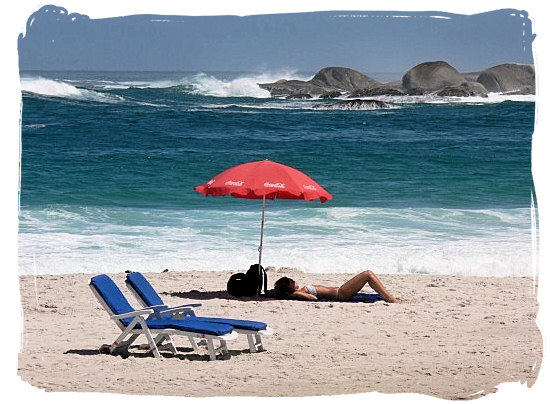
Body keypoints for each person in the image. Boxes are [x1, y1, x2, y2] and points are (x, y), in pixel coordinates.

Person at [273, 270, 399, 303]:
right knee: (367, 274)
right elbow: (313, 299)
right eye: (291, 280)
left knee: (368, 275)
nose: (294, 280)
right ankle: (391, 299)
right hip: (341, 294)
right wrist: (296, 294)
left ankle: (389, 297)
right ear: (289, 286)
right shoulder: (300, 292)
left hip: (341, 291)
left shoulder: (301, 291)